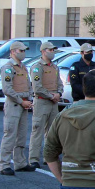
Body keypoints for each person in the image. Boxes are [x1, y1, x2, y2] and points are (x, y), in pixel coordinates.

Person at [0, 41, 34, 176]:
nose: (24, 53)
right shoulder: (8, 67)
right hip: (14, 104)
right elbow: (7, 89)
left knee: (21, 135)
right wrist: (21, 101)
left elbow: (28, 85)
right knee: (10, 134)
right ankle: (4, 164)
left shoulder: (22, 67)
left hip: (24, 103)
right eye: (21, 51)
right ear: (13, 52)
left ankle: (20, 162)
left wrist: (29, 99)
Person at [28, 41, 64, 169]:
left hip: (53, 102)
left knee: (52, 132)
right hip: (42, 101)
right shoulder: (37, 67)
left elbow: (60, 83)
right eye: (50, 50)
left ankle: (48, 157)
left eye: (53, 50)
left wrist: (59, 93)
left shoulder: (55, 67)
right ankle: (33, 158)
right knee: (37, 130)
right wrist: (52, 96)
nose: (53, 52)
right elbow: (37, 87)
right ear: (43, 51)